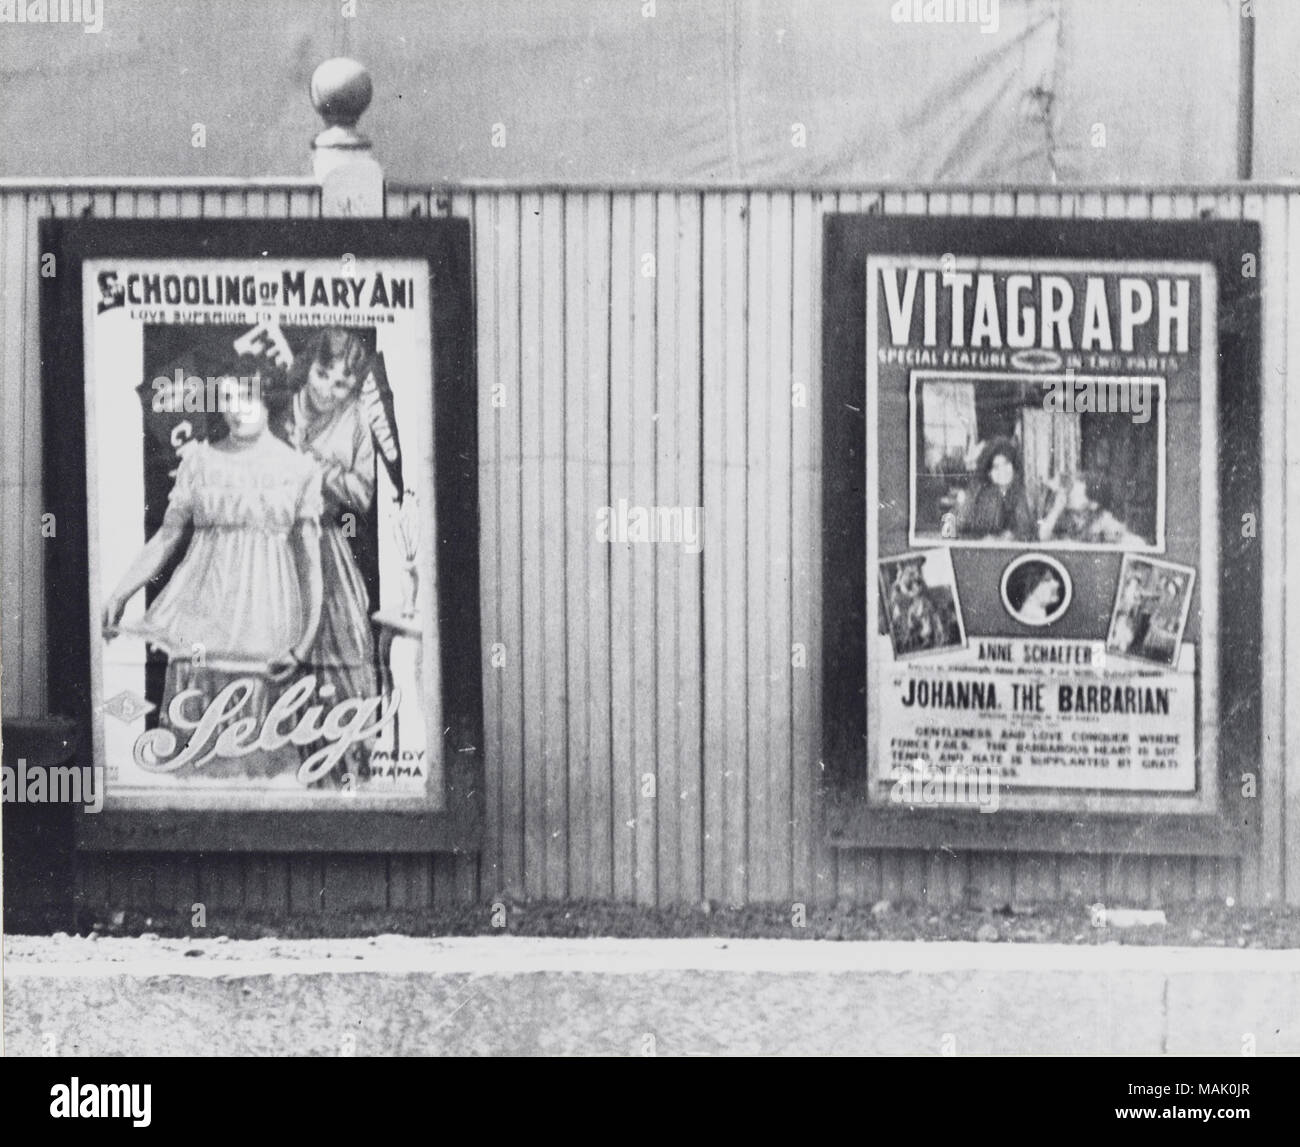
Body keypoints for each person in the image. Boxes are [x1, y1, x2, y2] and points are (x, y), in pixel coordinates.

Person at [102, 365, 324, 780]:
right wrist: (120, 593)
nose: (235, 410)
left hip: (266, 623)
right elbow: (166, 538)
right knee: (195, 751)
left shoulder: (299, 469)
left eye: (246, 398)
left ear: (269, 400)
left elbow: (310, 562)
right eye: (226, 399)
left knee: (259, 756)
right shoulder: (200, 461)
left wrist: (305, 643)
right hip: (200, 617)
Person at [283, 328, 380, 782]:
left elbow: (363, 494)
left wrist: (317, 468)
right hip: (272, 546)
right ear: (309, 367)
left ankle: (341, 767)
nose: (328, 389)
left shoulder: (357, 419)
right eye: (323, 374)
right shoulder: (279, 408)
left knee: (344, 650)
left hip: (327, 545)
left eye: (342, 384)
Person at [953, 437, 1036, 541]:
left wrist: (1011, 537)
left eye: (1006, 463)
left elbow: (1028, 532)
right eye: (996, 467)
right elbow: (954, 530)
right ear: (989, 473)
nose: (1002, 470)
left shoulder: (1021, 495)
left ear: (1013, 467)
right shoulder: (976, 495)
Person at [1038, 471, 1146, 546]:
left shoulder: (1102, 519)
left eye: (1075, 491)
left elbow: (1135, 542)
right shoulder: (1065, 515)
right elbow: (1042, 537)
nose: (1069, 492)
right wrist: (1056, 510)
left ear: (1093, 504)